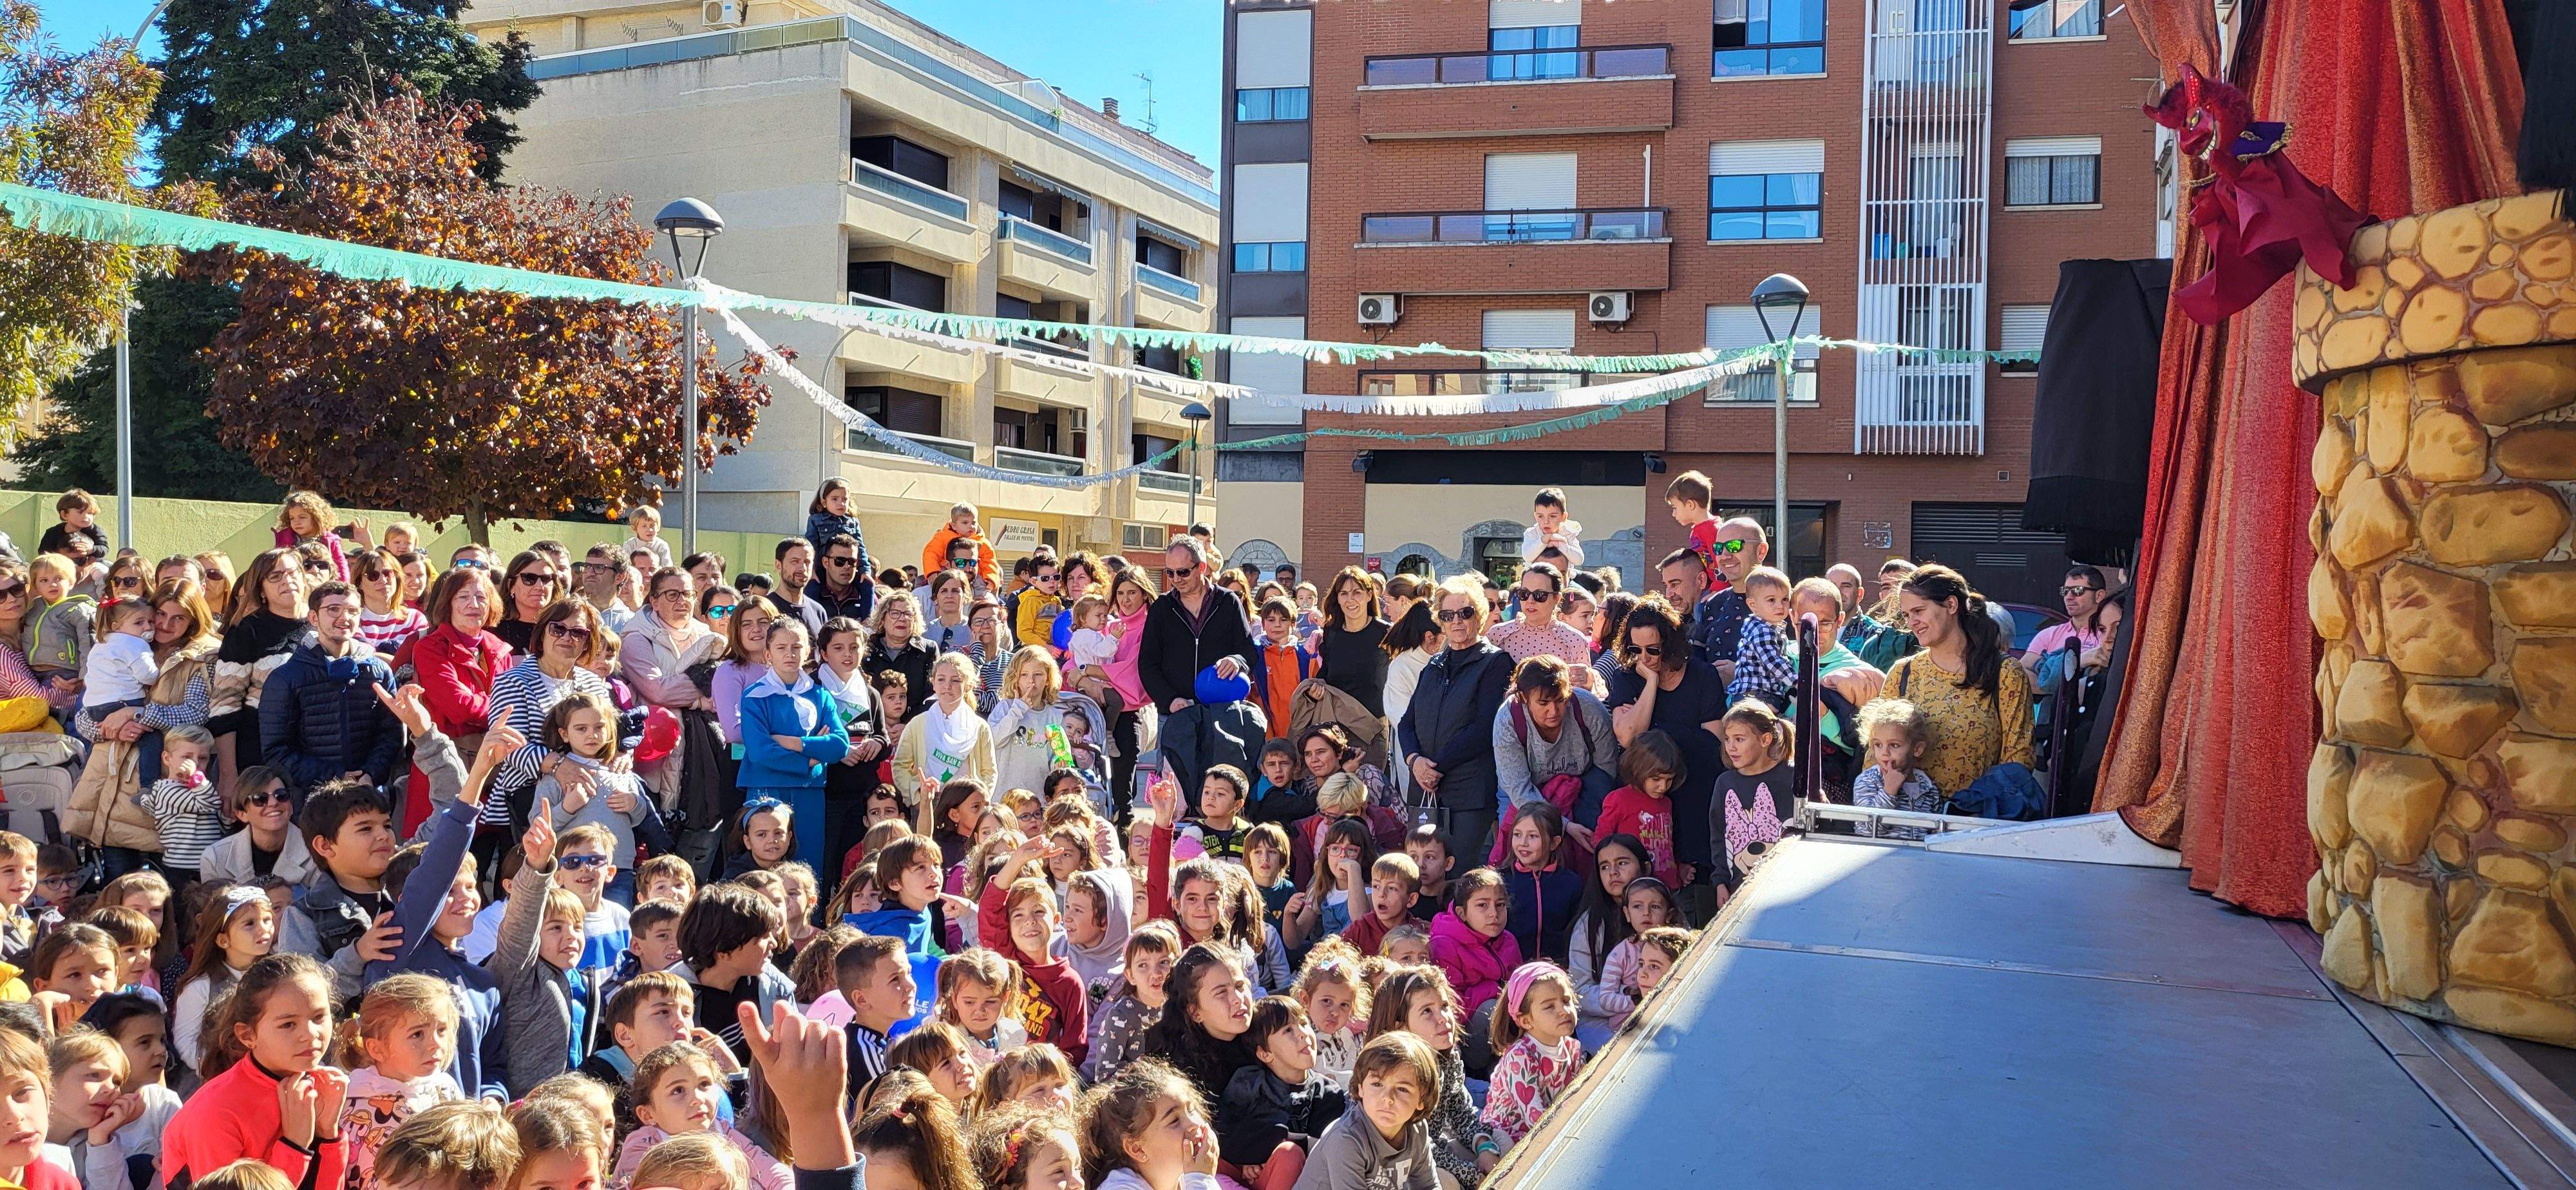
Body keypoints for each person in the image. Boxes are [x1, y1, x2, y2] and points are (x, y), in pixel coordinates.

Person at [158, 953, 352, 1190]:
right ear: (248, 1036)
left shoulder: (318, 1086)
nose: (311, 1034)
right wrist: (294, 1146)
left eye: (319, 1017)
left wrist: (328, 1134)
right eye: (288, 1024)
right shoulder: (218, 1111)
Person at [1603, 596, 1729, 908]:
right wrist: (1650, 683)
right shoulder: (1628, 676)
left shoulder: (1701, 676)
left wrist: (1658, 732)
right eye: (1635, 650)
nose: (1644, 658)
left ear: (1670, 644)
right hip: (1644, 796)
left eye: (1653, 650)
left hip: (1693, 790)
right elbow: (1629, 736)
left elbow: (1713, 744)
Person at [1884, 565, 2036, 797]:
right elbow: (1875, 757)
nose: (1911, 622)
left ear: (1951, 605)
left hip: (1976, 822)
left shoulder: (2004, 673)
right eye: (1907, 615)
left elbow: (2019, 760)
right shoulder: (1902, 673)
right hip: (1908, 822)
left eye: (1919, 611)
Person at [1397, 579, 1511, 860]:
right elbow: (1406, 723)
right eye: (1448, 616)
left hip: (1468, 791)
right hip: (1424, 790)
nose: (1457, 621)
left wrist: (1435, 767)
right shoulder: (1433, 666)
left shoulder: (1496, 663)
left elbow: (1485, 728)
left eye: (1465, 613)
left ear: (1480, 614)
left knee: (1459, 873)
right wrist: (1415, 761)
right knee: (1422, 874)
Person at [259, 581, 403, 791]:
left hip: (368, 792)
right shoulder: (286, 677)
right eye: (334, 609)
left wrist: (370, 774)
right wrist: (336, 777)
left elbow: (391, 736)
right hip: (314, 801)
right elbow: (276, 751)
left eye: (353, 611)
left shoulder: (379, 672)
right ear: (314, 618)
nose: (344, 618)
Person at [1490, 656, 1618, 850]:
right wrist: (1565, 825)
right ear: (1523, 698)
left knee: (1588, 843)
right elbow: (1518, 789)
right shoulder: (1507, 721)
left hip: (1584, 782)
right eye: (1543, 703)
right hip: (1525, 789)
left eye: (1561, 701)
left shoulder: (1589, 708)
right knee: (1520, 848)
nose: (1554, 711)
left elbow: (1607, 768)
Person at [1295, 1032, 1444, 1190]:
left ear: (1422, 1099)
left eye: (1402, 1089)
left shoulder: (1417, 1130)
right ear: (1361, 1089)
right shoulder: (1346, 1140)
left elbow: (1428, 1185)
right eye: (1377, 1084)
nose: (1388, 1098)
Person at [1137, 538, 1256, 717]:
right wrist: (1169, 700)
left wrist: (1236, 661)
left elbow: (1248, 652)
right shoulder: (1161, 607)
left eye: (1183, 572)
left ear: (1201, 568)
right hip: (1174, 714)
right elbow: (1147, 664)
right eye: (1170, 573)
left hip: (1220, 712)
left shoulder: (1228, 602)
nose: (1176, 579)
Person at [1476, 962, 1582, 1162]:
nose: (1563, 1010)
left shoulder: (1572, 1049)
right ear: (1526, 1021)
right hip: (1507, 1140)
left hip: (1545, 1136)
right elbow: (1536, 1117)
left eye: (1566, 1001)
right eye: (1549, 1006)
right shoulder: (1521, 1056)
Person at [1486, 563, 1594, 694]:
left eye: (1540, 595)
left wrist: (1589, 680)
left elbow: (1583, 696)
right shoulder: (1498, 635)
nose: (1530, 600)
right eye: (1524, 594)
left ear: (1556, 598)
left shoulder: (1574, 641)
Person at [2022, 565, 2113, 685]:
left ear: (2099, 596)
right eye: (2065, 591)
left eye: (2077, 591)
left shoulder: (2109, 635)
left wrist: (2051, 677)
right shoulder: (2049, 634)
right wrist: (2059, 691)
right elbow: (2021, 674)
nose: (2069, 597)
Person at [1723, 567, 1796, 709]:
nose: (1780, 606)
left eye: (1785, 599)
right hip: (1755, 694)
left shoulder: (1768, 627)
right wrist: (1797, 681)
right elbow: (1772, 660)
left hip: (1761, 693)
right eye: (1771, 600)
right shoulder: (1762, 630)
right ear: (1753, 605)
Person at [920, 504, 999, 592]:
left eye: (974, 523)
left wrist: (991, 578)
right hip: (947, 570)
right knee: (940, 580)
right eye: (965, 523)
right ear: (954, 525)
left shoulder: (983, 542)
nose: (971, 526)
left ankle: (979, 601)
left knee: (981, 584)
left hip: (973, 576)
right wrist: (933, 571)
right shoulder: (943, 537)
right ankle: (937, 596)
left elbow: (990, 562)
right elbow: (931, 553)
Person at [806, 533, 874, 626]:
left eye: (852, 562)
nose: (847, 566)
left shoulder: (867, 598)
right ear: (826, 562)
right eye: (840, 561)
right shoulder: (809, 596)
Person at [1522, 487, 1584, 570]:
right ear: (1536, 517)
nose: (1546, 522)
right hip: (1538, 578)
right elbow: (1527, 556)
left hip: (1563, 579)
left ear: (1563, 517)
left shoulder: (1568, 533)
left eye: (1552, 516)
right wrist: (1544, 540)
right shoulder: (1532, 534)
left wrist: (1559, 544)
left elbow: (1579, 560)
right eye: (1541, 516)